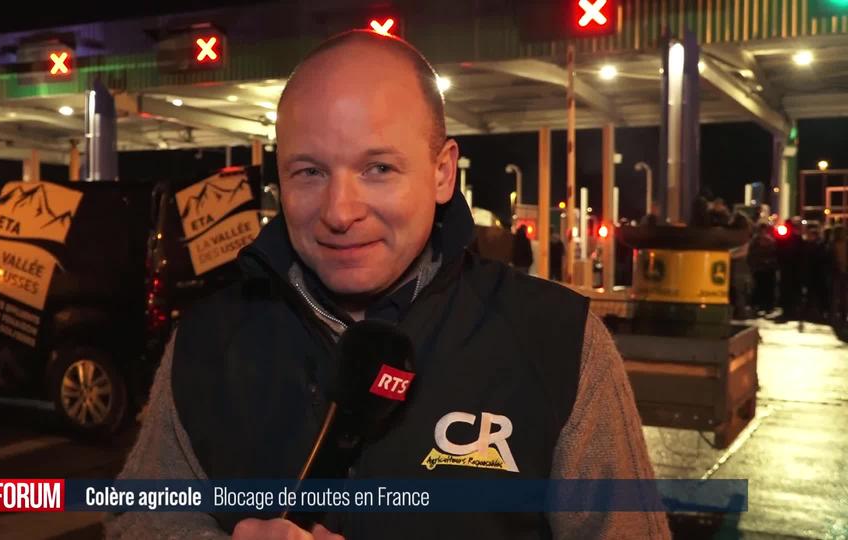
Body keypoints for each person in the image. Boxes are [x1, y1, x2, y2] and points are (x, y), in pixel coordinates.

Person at [108, 30, 669, 540]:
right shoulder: (208, 338)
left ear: (443, 172)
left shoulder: (558, 341)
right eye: (310, 171)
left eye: (378, 168)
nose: (340, 211)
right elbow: (141, 516)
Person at [748, 223, 778, 315]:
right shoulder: (755, 241)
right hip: (760, 268)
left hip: (767, 268)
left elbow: (775, 253)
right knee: (759, 287)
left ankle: (767, 306)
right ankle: (760, 305)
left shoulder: (771, 241)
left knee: (767, 288)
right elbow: (752, 254)